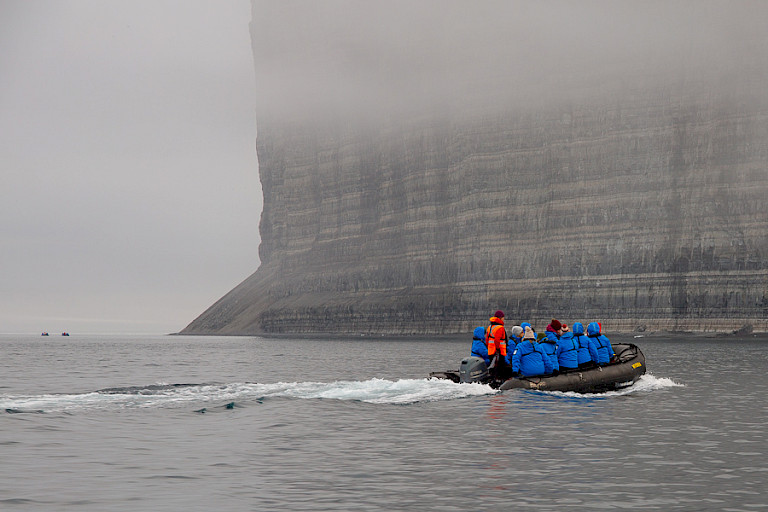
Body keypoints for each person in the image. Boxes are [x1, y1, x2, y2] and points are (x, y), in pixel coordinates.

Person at [485, 310, 509, 377]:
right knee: (500, 366)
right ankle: (499, 379)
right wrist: (498, 349)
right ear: (500, 318)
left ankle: (491, 377)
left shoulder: (490, 327)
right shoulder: (500, 328)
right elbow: (497, 340)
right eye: (503, 317)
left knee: (492, 365)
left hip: (491, 350)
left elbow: (487, 339)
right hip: (499, 351)